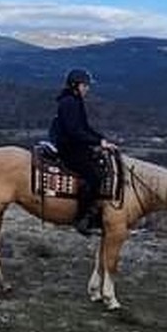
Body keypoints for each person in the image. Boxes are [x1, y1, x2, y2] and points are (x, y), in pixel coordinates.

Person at [48, 67, 116, 236]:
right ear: (75, 85)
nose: (87, 88)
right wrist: (98, 141)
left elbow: (85, 128)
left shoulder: (74, 101)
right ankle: (82, 218)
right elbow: (74, 131)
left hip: (74, 144)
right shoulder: (69, 103)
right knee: (94, 177)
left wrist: (102, 139)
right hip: (69, 147)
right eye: (85, 85)